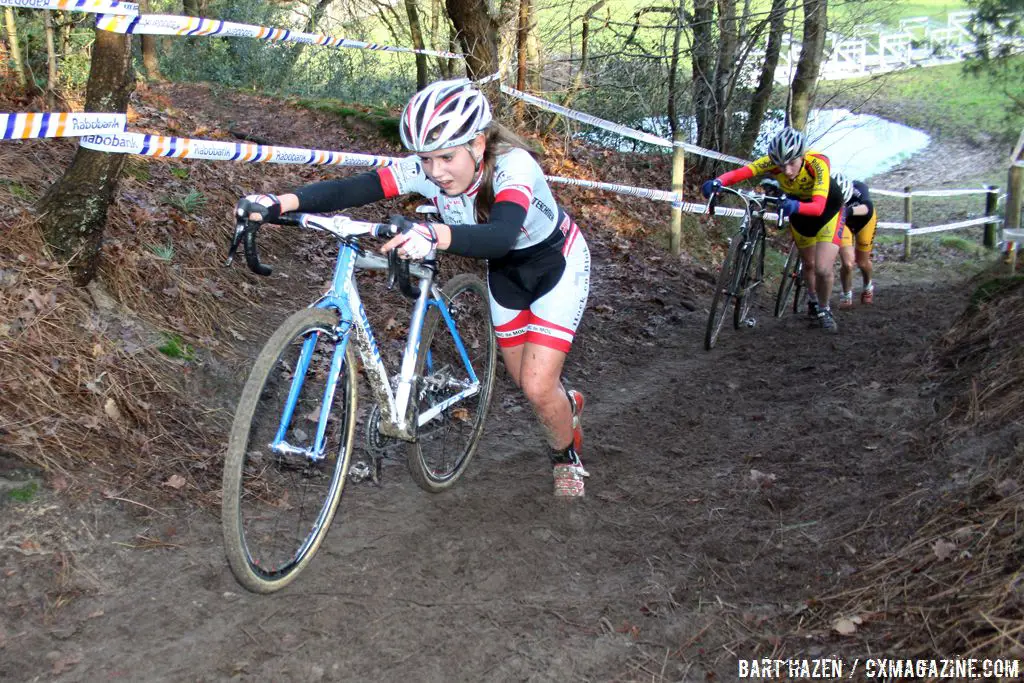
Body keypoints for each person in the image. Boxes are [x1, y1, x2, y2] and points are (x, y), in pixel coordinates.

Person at [235, 79, 592, 498]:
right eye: (425, 160)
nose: (436, 172)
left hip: (557, 264)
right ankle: (564, 404)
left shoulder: (514, 167)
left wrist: (432, 233)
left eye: (446, 157)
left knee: (535, 387)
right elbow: (354, 188)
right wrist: (281, 202)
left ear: (478, 144)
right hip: (506, 273)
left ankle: (565, 457)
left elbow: (501, 234)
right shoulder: (430, 171)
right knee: (530, 382)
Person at [701, 126, 847, 333]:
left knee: (823, 269)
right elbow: (741, 173)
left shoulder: (818, 163)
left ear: (802, 156)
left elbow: (818, 207)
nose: (786, 171)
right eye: (780, 165)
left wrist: (793, 206)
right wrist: (717, 182)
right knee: (808, 264)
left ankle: (824, 309)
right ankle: (813, 300)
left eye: (792, 164)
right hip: (799, 211)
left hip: (828, 212)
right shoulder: (773, 162)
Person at [834, 172, 877, 308]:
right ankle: (846, 295)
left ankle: (868, 286)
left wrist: (848, 211)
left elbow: (867, 208)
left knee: (862, 262)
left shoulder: (859, 188)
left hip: (864, 220)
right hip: (844, 223)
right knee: (847, 263)